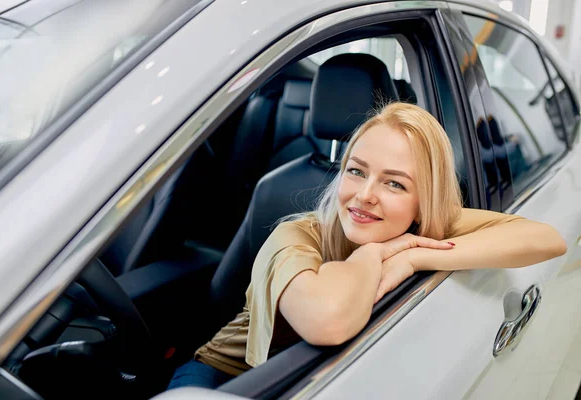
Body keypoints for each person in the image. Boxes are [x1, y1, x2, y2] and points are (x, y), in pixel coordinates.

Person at [167, 102, 567, 390]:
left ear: (423, 202)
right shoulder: (294, 236)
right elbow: (328, 321)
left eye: (394, 183)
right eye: (356, 171)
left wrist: (415, 255)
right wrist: (373, 254)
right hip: (224, 376)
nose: (364, 196)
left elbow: (547, 239)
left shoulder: (423, 226)